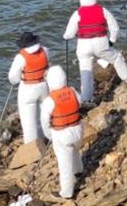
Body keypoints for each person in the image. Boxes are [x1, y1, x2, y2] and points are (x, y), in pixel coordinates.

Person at [63, 0, 127, 103]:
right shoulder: (102, 10)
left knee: (86, 72)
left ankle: (86, 99)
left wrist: (66, 36)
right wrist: (112, 40)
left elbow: (69, 34)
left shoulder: (77, 13)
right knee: (116, 58)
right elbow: (114, 27)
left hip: (83, 46)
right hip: (101, 43)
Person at [39, 65, 84, 200]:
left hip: (62, 135)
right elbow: (80, 103)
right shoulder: (73, 91)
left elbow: (44, 121)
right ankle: (78, 171)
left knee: (64, 164)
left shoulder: (49, 101)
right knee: (75, 151)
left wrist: (49, 135)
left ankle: (67, 193)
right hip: (78, 129)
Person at [7, 31, 50, 145]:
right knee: (44, 115)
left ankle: (32, 145)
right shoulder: (45, 51)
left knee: (29, 122)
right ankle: (46, 138)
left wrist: (20, 77)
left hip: (28, 90)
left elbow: (13, 78)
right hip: (44, 86)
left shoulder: (20, 57)